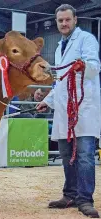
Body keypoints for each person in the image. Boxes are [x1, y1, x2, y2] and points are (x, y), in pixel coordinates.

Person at [36, 4, 100, 218]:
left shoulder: (87, 39)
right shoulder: (58, 47)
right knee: (66, 156)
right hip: (64, 111)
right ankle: (70, 194)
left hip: (84, 108)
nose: (64, 23)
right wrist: (47, 100)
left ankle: (85, 199)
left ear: (75, 20)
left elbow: (94, 66)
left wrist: (84, 66)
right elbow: (60, 82)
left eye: (67, 20)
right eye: (60, 20)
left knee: (84, 156)